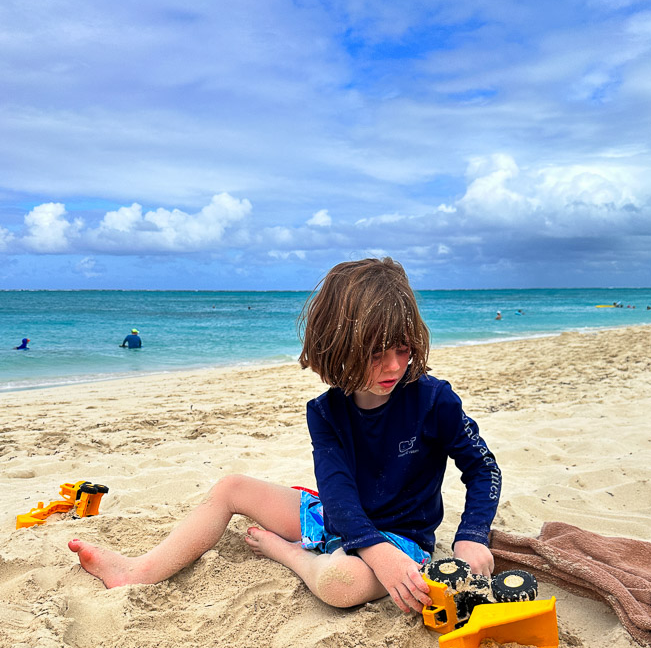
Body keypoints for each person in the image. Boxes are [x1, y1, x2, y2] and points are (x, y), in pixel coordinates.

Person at [69, 258, 501, 614]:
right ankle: (136, 572)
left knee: (339, 582)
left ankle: (289, 554)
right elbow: (336, 494)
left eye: (402, 350)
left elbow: (483, 468)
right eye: (375, 354)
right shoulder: (326, 412)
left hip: (401, 538)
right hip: (333, 516)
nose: (392, 366)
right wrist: (369, 549)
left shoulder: (433, 400)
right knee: (230, 487)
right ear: (339, 347)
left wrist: (472, 534)